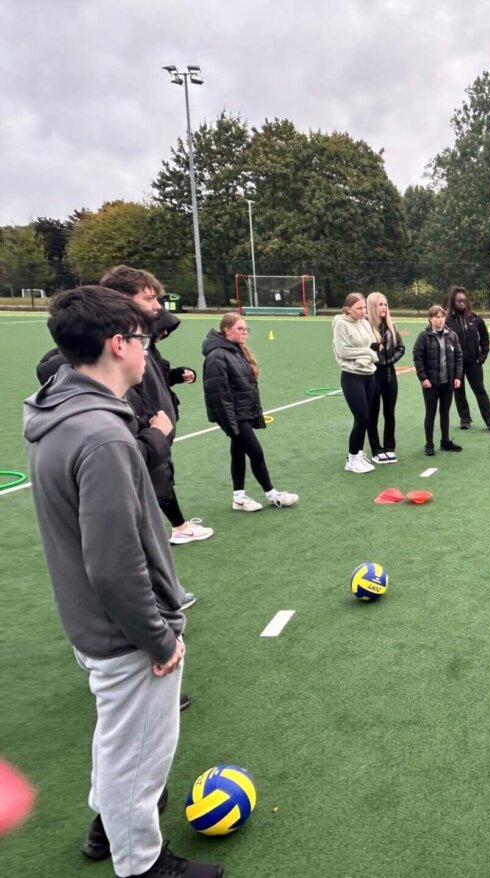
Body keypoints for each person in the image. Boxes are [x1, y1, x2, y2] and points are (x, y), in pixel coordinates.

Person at [24, 286, 222, 878]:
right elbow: (114, 563)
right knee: (139, 753)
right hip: (124, 633)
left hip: (92, 623)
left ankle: (101, 828)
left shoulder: (61, 413)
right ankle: (142, 862)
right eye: (143, 338)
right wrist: (159, 638)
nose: (148, 350)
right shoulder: (104, 437)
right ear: (118, 344)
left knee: (117, 740)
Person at [37, 266, 213, 551]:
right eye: (149, 298)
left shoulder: (138, 346)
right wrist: (153, 433)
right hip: (141, 442)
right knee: (133, 532)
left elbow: (150, 376)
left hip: (150, 438)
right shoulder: (98, 370)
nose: (157, 307)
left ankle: (174, 546)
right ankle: (179, 534)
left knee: (148, 517)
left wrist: (174, 376)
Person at [201, 313, 299, 512]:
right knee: (256, 452)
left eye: (246, 329)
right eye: (240, 329)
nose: (245, 333)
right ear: (226, 330)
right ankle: (272, 494)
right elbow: (218, 393)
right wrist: (231, 424)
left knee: (238, 453)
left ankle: (238, 498)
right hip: (233, 416)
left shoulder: (235, 351)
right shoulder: (216, 356)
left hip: (241, 413)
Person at [332, 293, 379, 473]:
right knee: (362, 418)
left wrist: (369, 353)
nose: (363, 311)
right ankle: (351, 459)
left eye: (364, 307)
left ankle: (358, 454)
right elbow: (343, 352)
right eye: (359, 308)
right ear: (348, 309)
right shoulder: (340, 324)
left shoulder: (365, 323)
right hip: (352, 376)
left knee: (367, 418)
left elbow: (373, 344)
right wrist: (367, 354)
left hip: (369, 374)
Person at [446, 285, 490, 432]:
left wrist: (482, 356)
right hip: (455, 364)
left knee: (480, 390)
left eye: (464, 300)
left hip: (473, 362)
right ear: (453, 301)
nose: (462, 303)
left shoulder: (475, 318)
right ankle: (465, 418)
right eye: (459, 300)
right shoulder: (447, 321)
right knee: (459, 391)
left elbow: (485, 338)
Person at [412, 305, 464, 456]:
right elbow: (418, 358)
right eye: (437, 317)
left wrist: (457, 377)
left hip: (447, 382)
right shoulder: (424, 336)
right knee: (431, 413)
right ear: (430, 319)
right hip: (431, 383)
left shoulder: (451, 335)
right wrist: (423, 378)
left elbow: (458, 356)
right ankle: (429, 444)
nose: (440, 320)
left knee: (445, 412)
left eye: (442, 317)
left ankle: (445, 441)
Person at [366, 292, 406, 464]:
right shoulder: (365, 327)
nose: (383, 308)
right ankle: (376, 449)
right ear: (373, 307)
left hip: (389, 374)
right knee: (372, 413)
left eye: (385, 304)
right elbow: (363, 347)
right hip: (372, 375)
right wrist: (375, 358)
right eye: (380, 304)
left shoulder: (392, 326)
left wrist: (388, 361)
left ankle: (390, 448)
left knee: (389, 412)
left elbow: (401, 348)